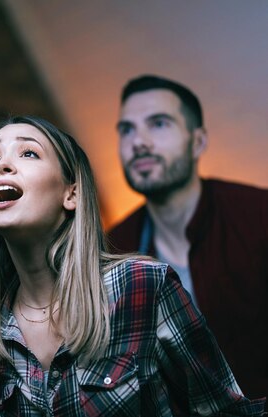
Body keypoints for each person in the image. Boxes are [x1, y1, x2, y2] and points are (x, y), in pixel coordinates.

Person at [0, 115, 265, 416]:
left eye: (28, 153)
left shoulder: (141, 284)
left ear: (71, 194)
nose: (1, 165)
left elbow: (225, 411)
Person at [107, 74, 268, 401]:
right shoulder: (113, 248)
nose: (139, 142)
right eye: (127, 129)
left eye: (159, 124)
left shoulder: (258, 216)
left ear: (198, 142)